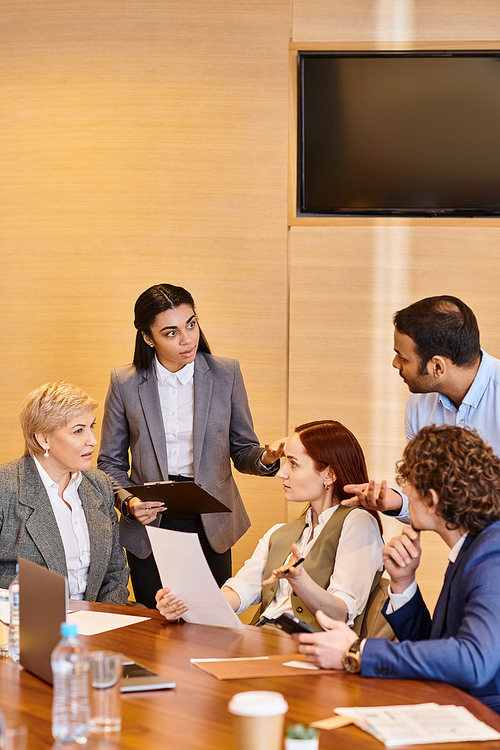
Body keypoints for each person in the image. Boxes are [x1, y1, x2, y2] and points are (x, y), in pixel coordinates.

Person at [98, 283, 283, 608]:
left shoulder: (226, 374)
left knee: (209, 621)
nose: (187, 339)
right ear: (147, 337)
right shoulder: (124, 383)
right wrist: (129, 502)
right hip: (150, 521)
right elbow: (110, 463)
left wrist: (266, 457)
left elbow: (243, 451)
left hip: (209, 518)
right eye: (171, 332)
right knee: (155, 626)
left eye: (191, 324)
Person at [296, 425, 500, 714]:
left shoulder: (492, 554)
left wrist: (358, 651)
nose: (403, 493)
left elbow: (473, 661)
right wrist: (404, 583)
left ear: (433, 499)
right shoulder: (474, 548)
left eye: (410, 485)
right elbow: (436, 647)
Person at [156, 420, 384, 631]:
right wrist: (187, 604)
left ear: (329, 475)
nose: (281, 473)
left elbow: (340, 615)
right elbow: (242, 589)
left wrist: (300, 581)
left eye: (293, 464)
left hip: (312, 656)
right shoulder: (279, 533)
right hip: (263, 640)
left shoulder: (358, 523)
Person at [343, 294, 500, 519]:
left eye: (402, 358)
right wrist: (395, 501)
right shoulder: (419, 405)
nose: (395, 364)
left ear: (437, 366)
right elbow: (428, 498)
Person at [0, 382, 129, 604]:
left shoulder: (99, 484)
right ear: (43, 439)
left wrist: (107, 623)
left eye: (91, 426)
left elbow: (115, 572)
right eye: (79, 430)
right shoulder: (6, 487)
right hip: (24, 626)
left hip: (97, 624)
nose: (93, 440)